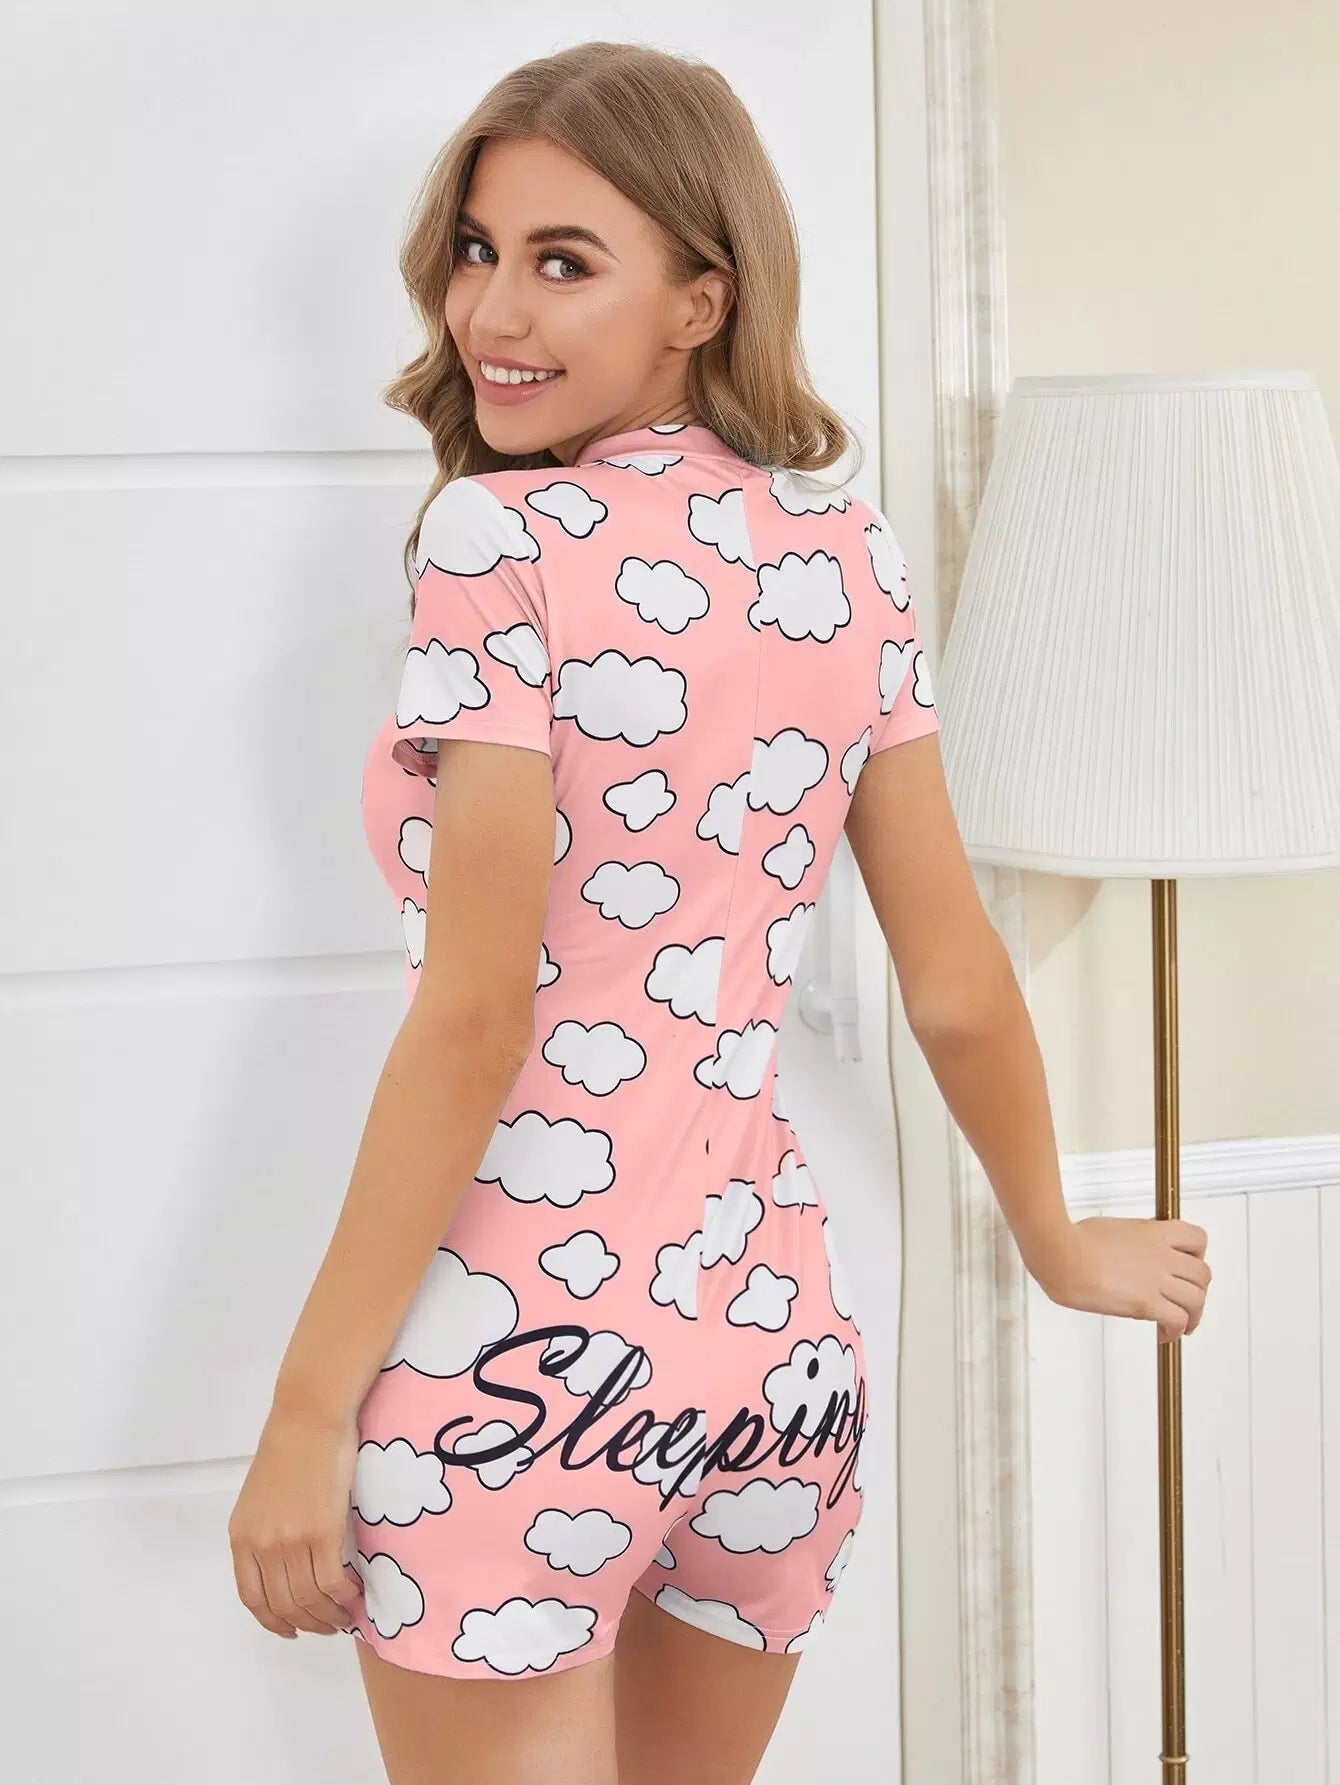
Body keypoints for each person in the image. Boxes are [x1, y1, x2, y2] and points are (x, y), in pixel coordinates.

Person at [227, 39, 1212, 1785]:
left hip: (523, 1363)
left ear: (704, 298)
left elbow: (476, 1019)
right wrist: (1058, 1239)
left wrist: (310, 1412)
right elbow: (954, 976)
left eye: (564, 260)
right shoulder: (849, 554)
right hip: (774, 1356)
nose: (491, 310)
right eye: (478, 250)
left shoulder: (498, 545)